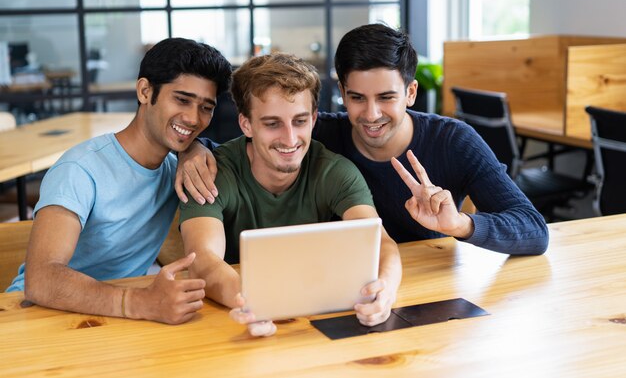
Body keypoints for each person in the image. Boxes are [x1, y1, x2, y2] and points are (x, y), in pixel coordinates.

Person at [179, 24, 548, 256]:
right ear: (342, 92)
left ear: (411, 92)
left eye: (386, 97)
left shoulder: (454, 141)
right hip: (350, 286)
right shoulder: (320, 132)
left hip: (428, 282)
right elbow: (247, 144)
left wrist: (461, 225)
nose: (370, 115)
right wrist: (190, 150)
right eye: (357, 98)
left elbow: (533, 230)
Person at [6, 37, 233, 325]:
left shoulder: (178, 169)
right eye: (182, 99)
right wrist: (141, 303)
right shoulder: (80, 168)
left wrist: (195, 147)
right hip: (32, 315)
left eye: (206, 107)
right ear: (144, 91)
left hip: (104, 318)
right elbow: (41, 280)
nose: (192, 117)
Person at [178, 52, 402, 337]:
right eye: (272, 124)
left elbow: (381, 244)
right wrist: (251, 302)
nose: (290, 139)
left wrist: (386, 290)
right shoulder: (209, 174)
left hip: (314, 321)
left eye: (300, 121)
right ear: (246, 124)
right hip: (231, 323)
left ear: (314, 119)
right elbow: (203, 261)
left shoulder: (335, 171)